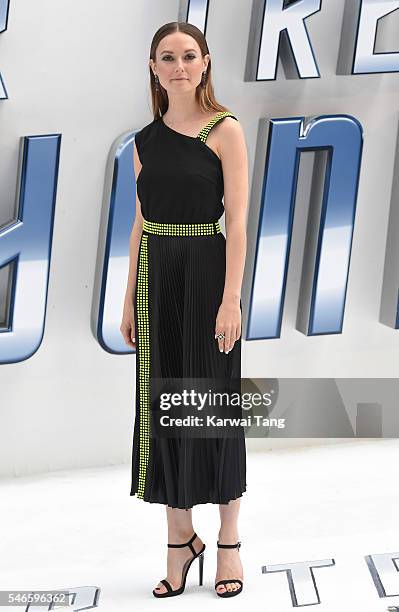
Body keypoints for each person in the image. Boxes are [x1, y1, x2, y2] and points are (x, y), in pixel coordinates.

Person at [120, 21, 248, 599]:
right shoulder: (143, 142)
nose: (179, 66)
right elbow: (141, 223)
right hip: (158, 279)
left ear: (205, 63)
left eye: (188, 56)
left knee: (213, 405)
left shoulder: (226, 131)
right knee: (166, 407)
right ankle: (179, 541)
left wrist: (230, 298)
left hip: (207, 273)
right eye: (167, 57)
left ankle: (228, 541)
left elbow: (239, 223)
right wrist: (128, 297)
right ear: (153, 67)